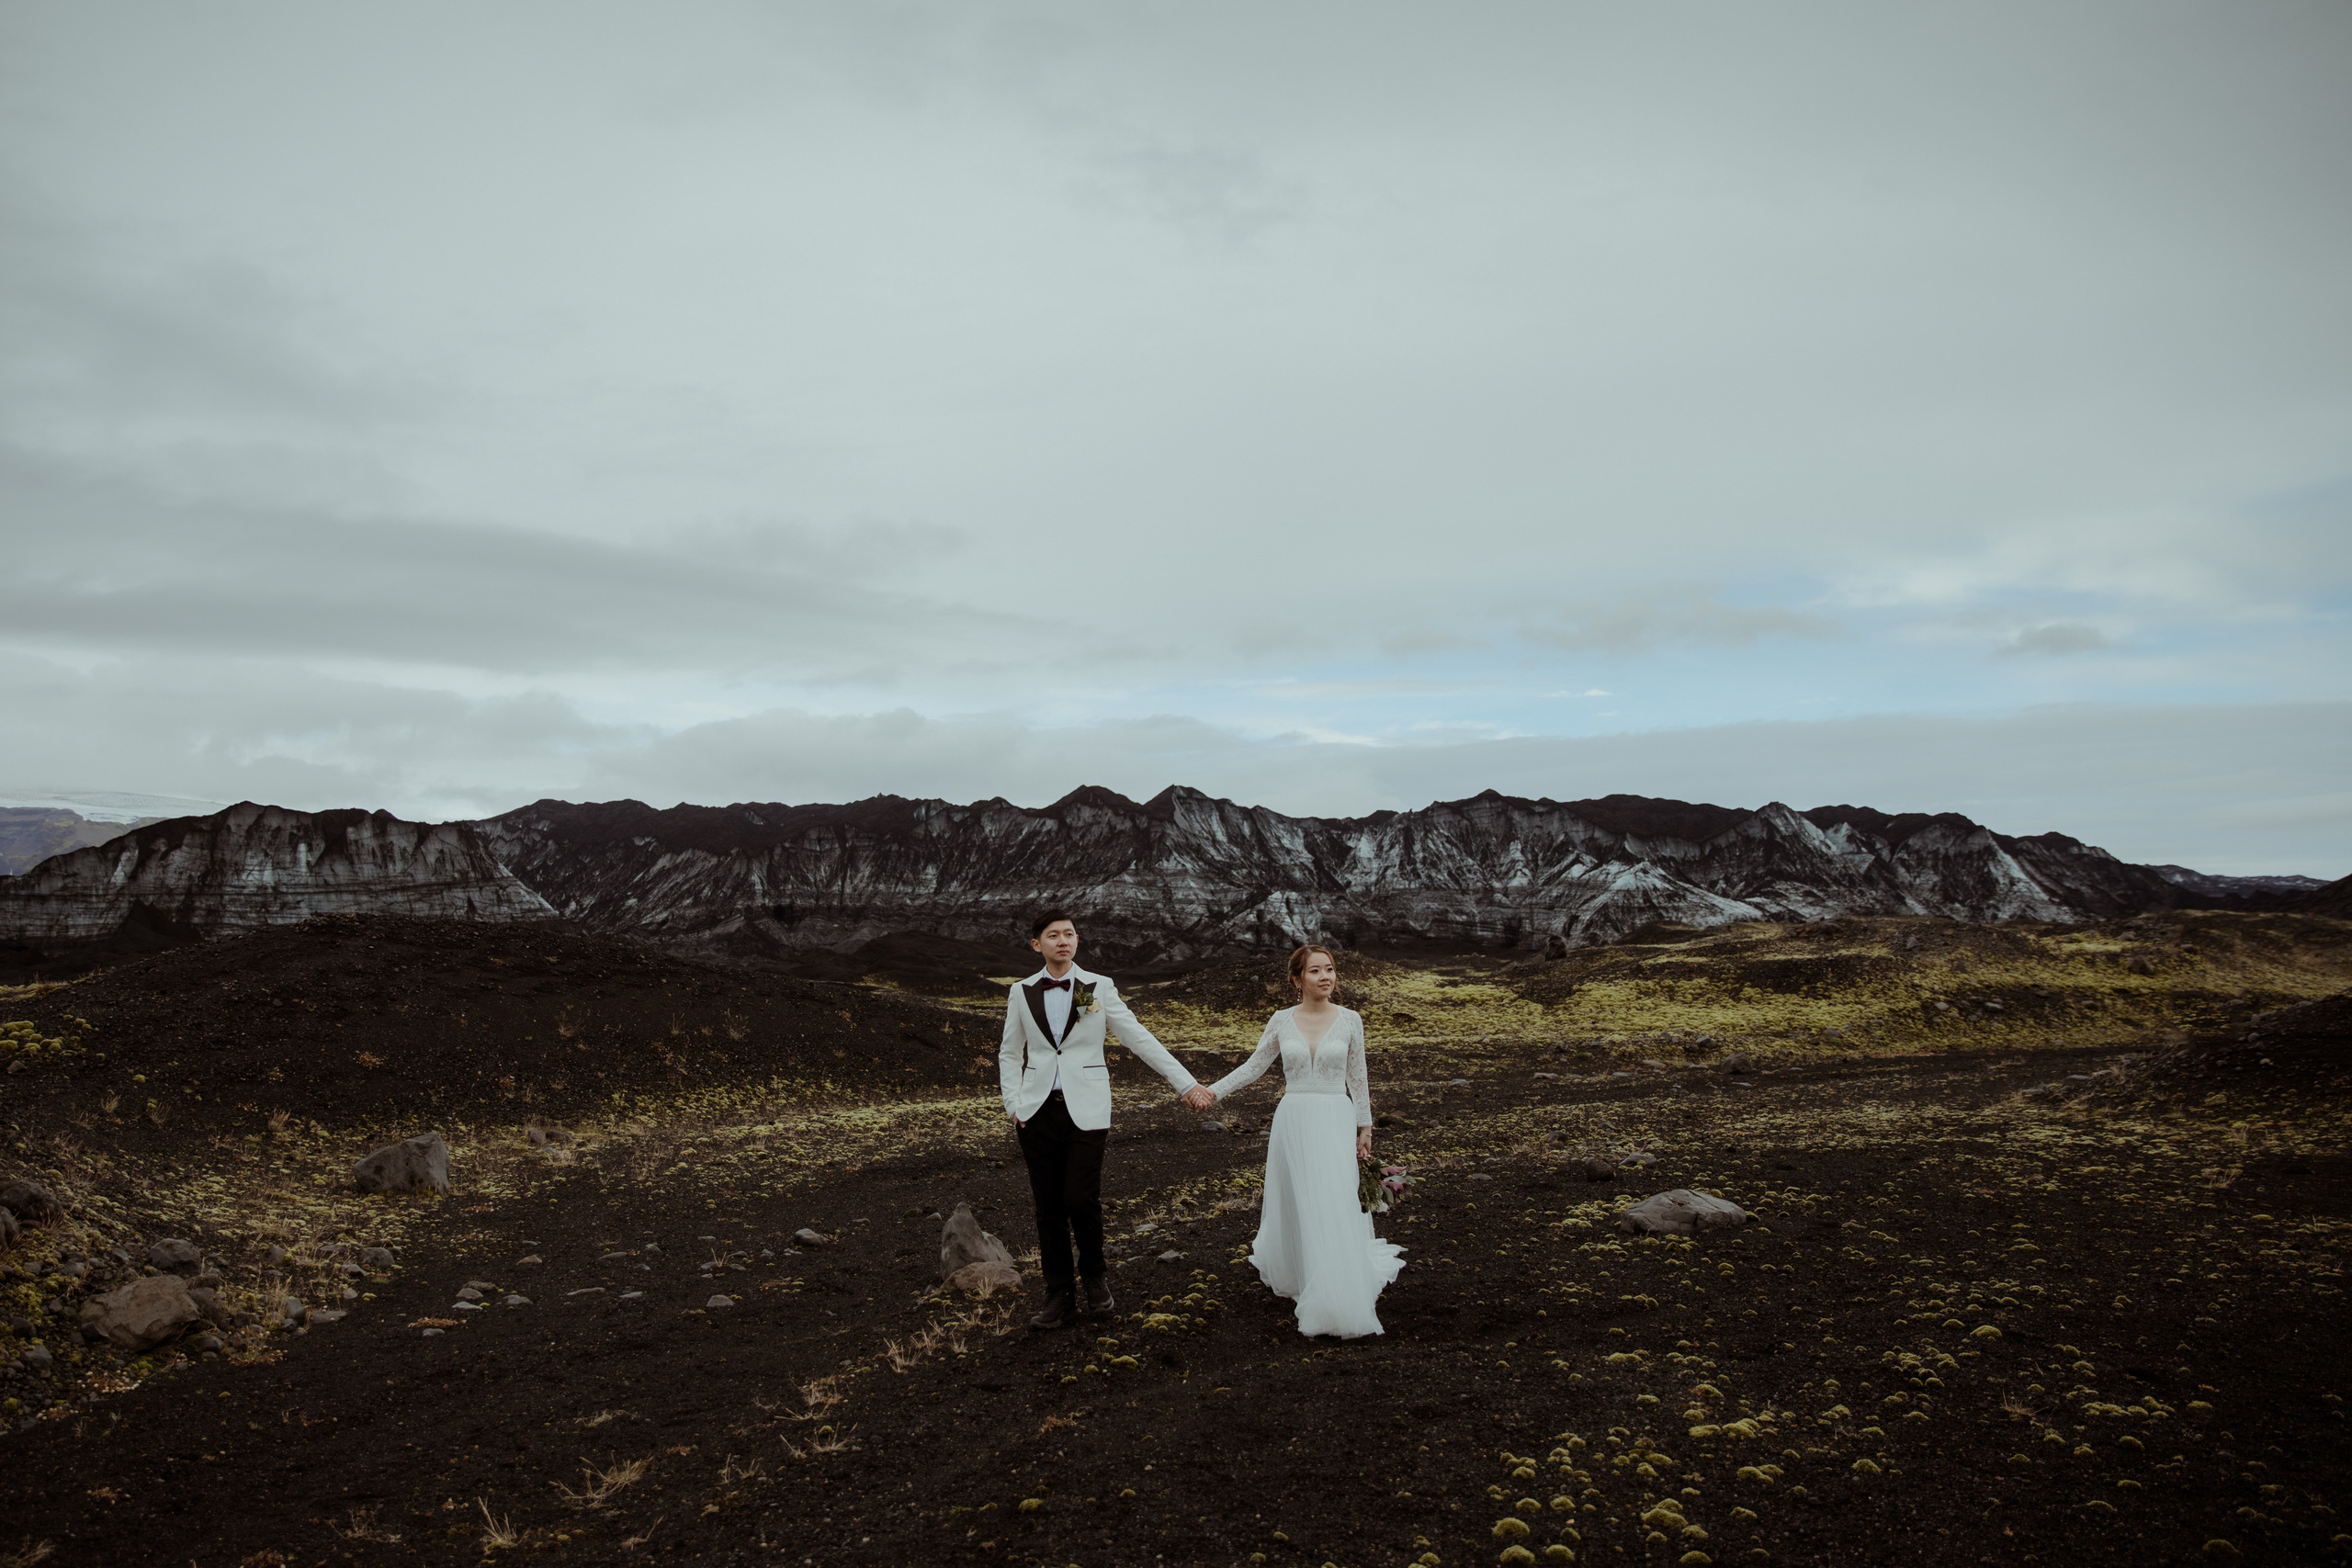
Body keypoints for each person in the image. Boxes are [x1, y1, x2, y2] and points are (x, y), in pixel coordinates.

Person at [1001, 910, 1216, 1330]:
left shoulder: (1095, 988)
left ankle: (1095, 1279)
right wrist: (1014, 1104)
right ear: (1036, 944)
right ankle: (1058, 1295)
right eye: (1053, 936)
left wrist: (1187, 1084)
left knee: (1080, 1199)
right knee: (1048, 1209)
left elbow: (1138, 1037)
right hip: (1036, 1112)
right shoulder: (1020, 992)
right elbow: (1010, 1052)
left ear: (1077, 941)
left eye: (1069, 934)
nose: (1063, 941)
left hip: (1087, 1111)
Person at [1204, 943, 1405, 1338]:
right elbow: (1254, 1067)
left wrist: (1365, 1128)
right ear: (1297, 979)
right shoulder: (1281, 1020)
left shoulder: (1350, 1020)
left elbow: (1358, 1076)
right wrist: (1212, 1092)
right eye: (1315, 971)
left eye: (1329, 969)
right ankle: (1306, 1273)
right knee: (1300, 1198)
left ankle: (1336, 1286)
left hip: (1334, 1117)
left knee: (1332, 1198)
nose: (1325, 977)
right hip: (1293, 1120)